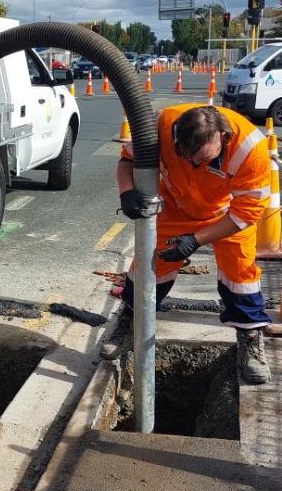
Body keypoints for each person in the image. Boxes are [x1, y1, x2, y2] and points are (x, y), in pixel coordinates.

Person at [112, 104, 273, 384]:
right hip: (176, 207)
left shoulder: (250, 149)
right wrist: (126, 193)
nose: (194, 166)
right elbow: (127, 161)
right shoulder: (160, 126)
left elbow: (247, 212)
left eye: (202, 160)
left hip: (227, 214)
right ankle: (129, 320)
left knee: (240, 273)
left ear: (224, 138)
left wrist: (196, 241)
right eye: (186, 158)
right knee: (151, 262)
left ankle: (250, 339)